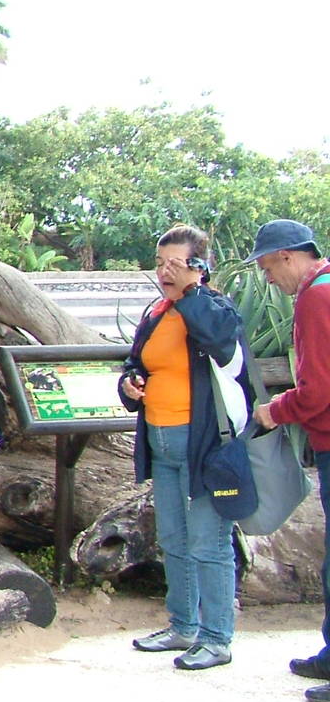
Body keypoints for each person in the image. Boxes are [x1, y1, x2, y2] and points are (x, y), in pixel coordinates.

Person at [119, 224, 251, 671]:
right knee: (172, 538)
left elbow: (218, 340)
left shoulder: (213, 307)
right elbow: (136, 362)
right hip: (161, 440)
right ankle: (183, 625)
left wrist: (191, 292)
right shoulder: (156, 312)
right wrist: (129, 383)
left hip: (204, 446)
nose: (164, 272)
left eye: (175, 264)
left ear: (198, 266)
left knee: (208, 542)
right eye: (160, 264)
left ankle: (217, 636)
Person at [246, 219, 330, 702]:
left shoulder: (316, 297)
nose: (268, 280)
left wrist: (276, 411)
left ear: (289, 256)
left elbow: (318, 390)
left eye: (268, 268)